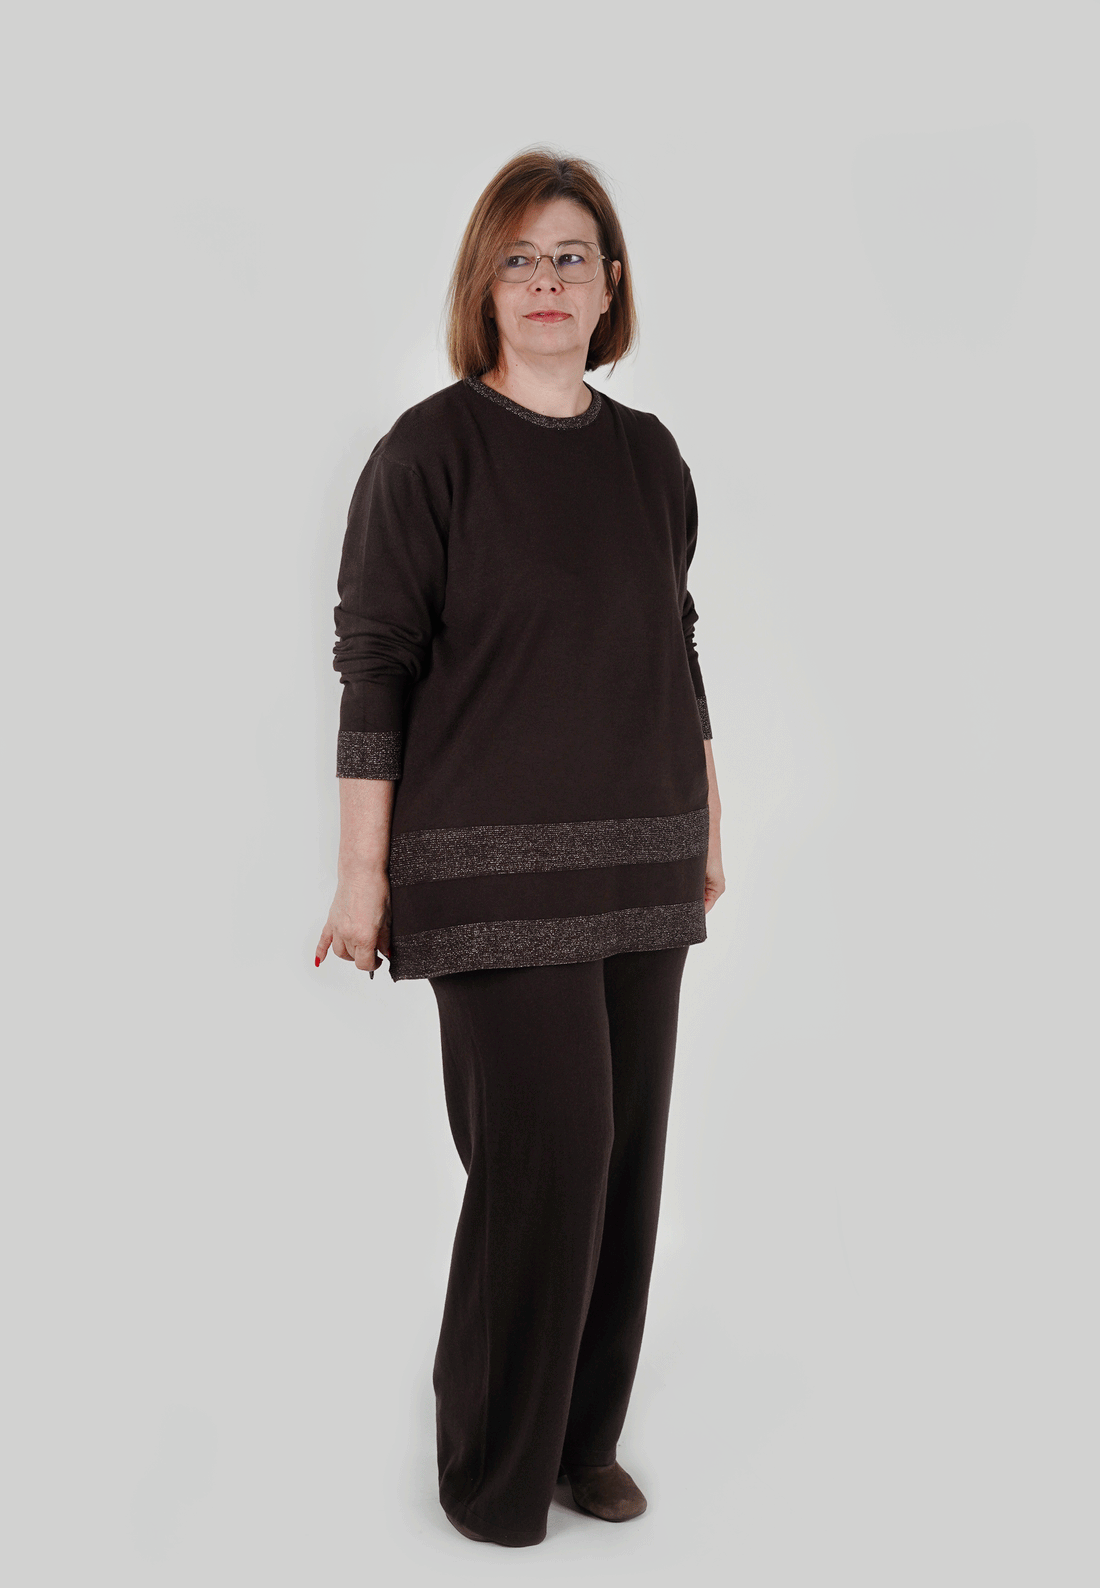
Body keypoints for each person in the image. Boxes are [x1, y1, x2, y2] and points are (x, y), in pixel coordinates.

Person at [315, 148, 725, 1549]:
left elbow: (674, 643)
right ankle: (492, 1469)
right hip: (488, 870)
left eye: (572, 258)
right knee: (546, 1159)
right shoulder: (426, 453)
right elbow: (374, 666)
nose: (547, 282)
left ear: (610, 286)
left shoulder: (650, 456)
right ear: (483, 287)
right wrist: (364, 874)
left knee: (624, 1163)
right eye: (520, 259)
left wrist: (708, 816)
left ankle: (580, 1442)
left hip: (644, 852)